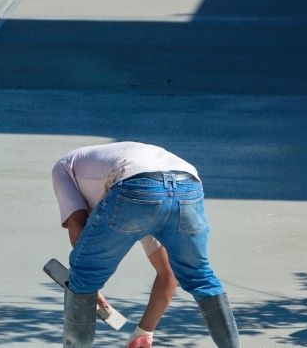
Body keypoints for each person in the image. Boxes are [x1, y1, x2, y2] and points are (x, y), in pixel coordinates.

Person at [51, 141, 239, 348]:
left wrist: (88, 287)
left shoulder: (63, 168)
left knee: (84, 277)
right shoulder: (129, 194)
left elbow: (77, 223)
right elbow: (167, 274)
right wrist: (145, 331)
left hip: (135, 187)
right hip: (187, 185)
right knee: (200, 276)